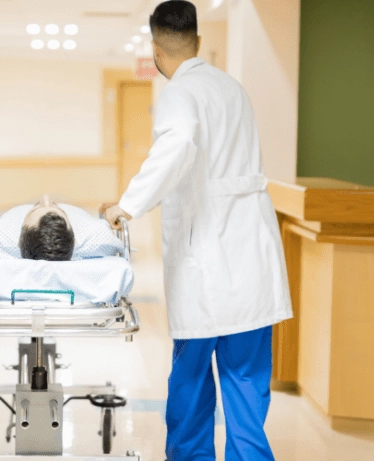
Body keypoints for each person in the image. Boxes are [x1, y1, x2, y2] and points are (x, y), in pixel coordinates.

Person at [100, 2, 293, 460]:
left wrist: (126, 205)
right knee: (246, 384)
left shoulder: (179, 93)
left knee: (190, 378)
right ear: (198, 42)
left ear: (155, 48)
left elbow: (179, 144)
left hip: (207, 258)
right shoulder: (232, 88)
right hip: (249, 256)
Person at [0, 195, 76, 262]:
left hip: (5, 220)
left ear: (19, 241)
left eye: (36, 207)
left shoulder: (0, 233)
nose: (46, 198)